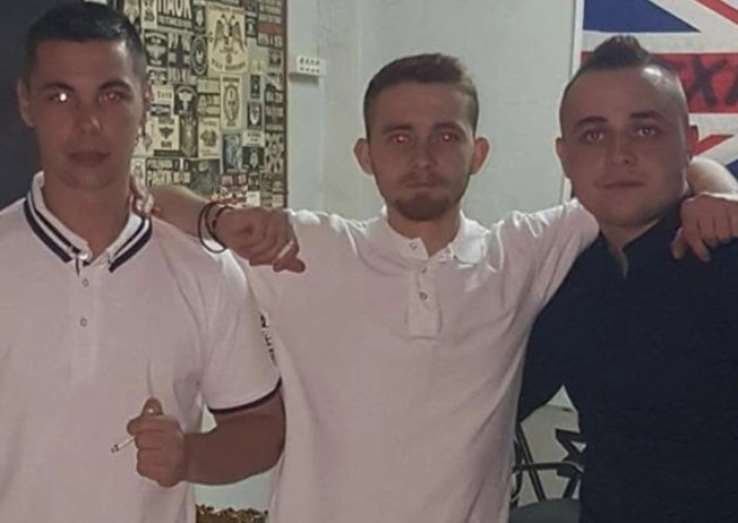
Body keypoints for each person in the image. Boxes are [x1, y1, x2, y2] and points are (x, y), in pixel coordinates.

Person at [152, 53, 738, 522]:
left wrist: (719, 191)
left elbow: (653, 175)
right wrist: (219, 218)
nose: (423, 158)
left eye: (446, 136)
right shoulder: (305, 248)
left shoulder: (522, 252)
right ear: (365, 155)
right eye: (399, 138)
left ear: (477, 153)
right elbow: (148, 202)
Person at [0, 4, 290, 522]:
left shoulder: (204, 272)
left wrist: (189, 456)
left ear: (147, 99)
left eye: (111, 96)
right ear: (26, 103)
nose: (88, 123)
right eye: (60, 97)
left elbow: (262, 430)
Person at [518, 36, 738, 522]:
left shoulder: (725, 260)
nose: (619, 154)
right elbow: (494, 400)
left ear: (689, 142)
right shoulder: (564, 272)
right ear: (565, 156)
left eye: (645, 130)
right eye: (594, 135)